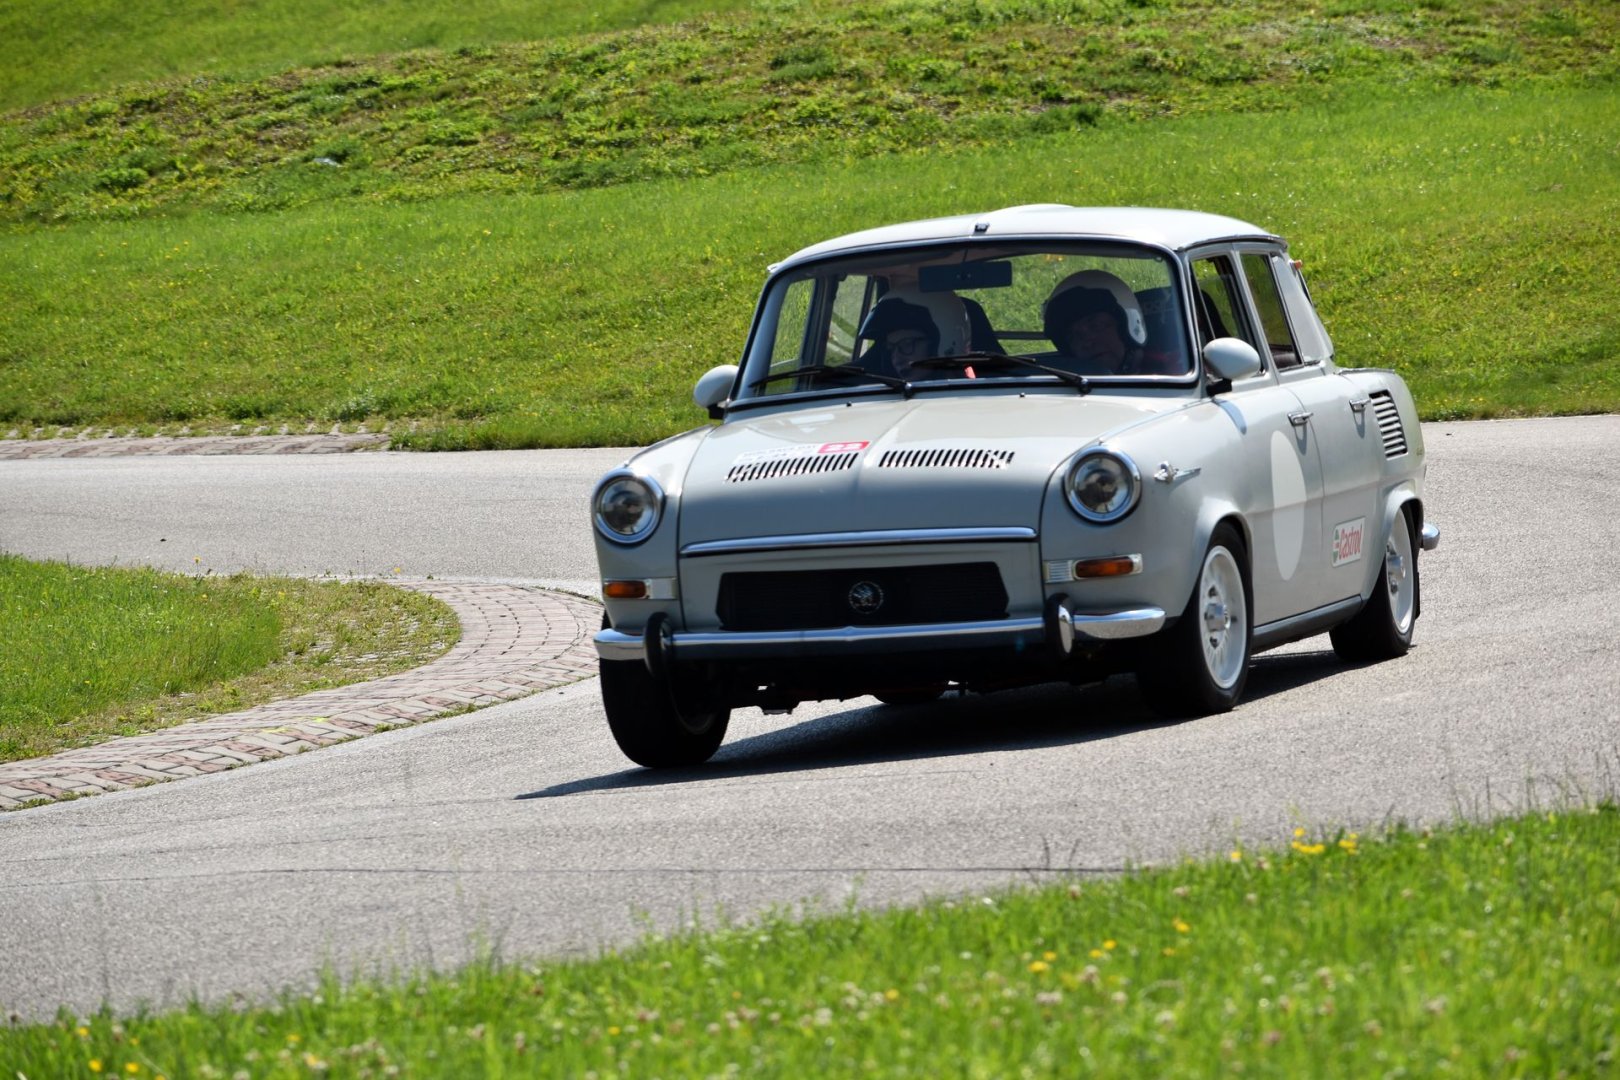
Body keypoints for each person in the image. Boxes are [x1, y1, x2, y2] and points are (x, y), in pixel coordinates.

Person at [1043, 276, 1184, 375]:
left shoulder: (1175, 373)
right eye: (1074, 336)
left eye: (1096, 326)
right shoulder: (1060, 391)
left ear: (1127, 325)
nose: (1087, 342)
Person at [856, 290, 971, 380]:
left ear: (945, 341)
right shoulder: (881, 398)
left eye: (907, 344)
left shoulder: (973, 400)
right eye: (891, 348)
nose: (897, 359)